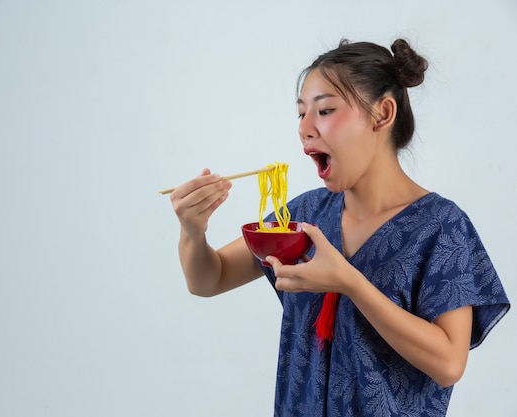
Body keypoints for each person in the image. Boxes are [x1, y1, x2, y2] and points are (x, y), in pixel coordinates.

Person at [169, 39, 510, 417]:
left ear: (382, 113)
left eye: (325, 109)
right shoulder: (304, 214)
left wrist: (349, 281)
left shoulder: (442, 226)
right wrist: (192, 230)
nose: (305, 128)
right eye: (301, 114)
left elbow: (449, 364)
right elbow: (209, 279)